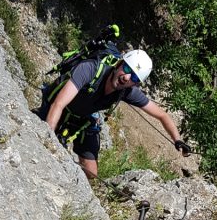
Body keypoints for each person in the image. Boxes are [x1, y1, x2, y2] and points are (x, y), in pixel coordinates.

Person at [37, 48, 191, 179]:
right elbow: (59, 104)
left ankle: (65, 169)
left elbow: (162, 115)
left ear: (135, 84)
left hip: (82, 117)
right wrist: (48, 138)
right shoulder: (90, 69)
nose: (126, 77)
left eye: (134, 77)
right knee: (38, 136)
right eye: (127, 69)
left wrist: (177, 140)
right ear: (119, 64)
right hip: (58, 107)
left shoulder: (127, 91)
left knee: (91, 172)